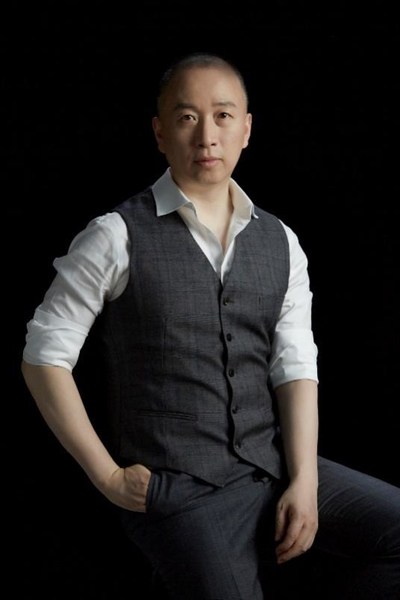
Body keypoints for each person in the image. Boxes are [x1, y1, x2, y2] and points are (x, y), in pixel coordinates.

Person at [21, 52, 400, 600]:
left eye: (223, 116)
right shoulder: (115, 235)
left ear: (246, 129)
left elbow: (295, 366)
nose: (207, 136)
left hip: (270, 465)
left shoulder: (281, 241)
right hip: (179, 489)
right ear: (160, 132)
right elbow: (44, 355)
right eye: (187, 117)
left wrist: (304, 481)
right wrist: (105, 475)